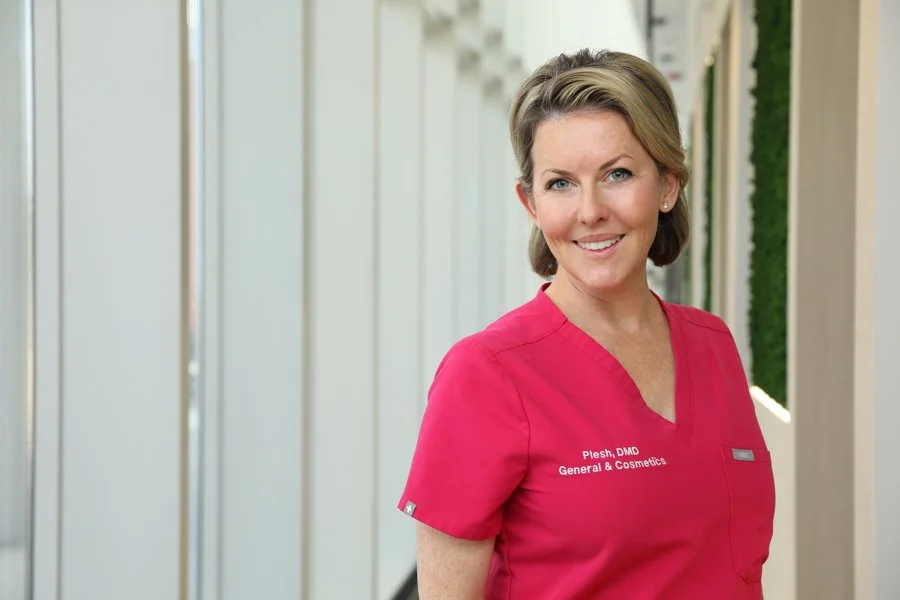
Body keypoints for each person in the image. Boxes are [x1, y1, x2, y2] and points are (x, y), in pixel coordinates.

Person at [398, 49, 774, 600]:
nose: (591, 210)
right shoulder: (487, 374)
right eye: (560, 184)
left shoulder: (712, 344)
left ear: (668, 186)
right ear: (530, 203)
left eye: (617, 174)